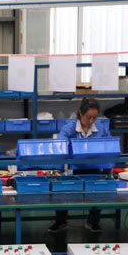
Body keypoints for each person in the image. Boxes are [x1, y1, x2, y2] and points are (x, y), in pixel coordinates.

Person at [48, 97, 111, 234]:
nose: (91, 121)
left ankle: (93, 221)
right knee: (63, 190)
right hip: (73, 167)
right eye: (88, 117)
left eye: (94, 117)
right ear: (80, 113)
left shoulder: (101, 128)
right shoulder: (69, 128)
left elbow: (108, 145)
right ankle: (61, 221)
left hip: (94, 167)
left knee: (98, 190)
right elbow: (60, 144)